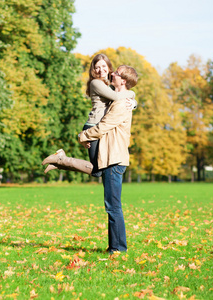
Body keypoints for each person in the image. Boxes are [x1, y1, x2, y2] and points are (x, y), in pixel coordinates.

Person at [42, 54, 136, 176]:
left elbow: (121, 94)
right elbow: (117, 97)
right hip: (94, 126)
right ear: (93, 70)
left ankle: (60, 162)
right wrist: (132, 93)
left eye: (103, 66)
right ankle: (61, 159)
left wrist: (134, 103)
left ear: (108, 67)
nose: (101, 70)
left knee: (98, 170)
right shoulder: (96, 83)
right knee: (98, 171)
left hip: (100, 126)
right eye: (97, 67)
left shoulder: (108, 85)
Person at [78, 65, 139, 253]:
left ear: (124, 81)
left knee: (113, 207)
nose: (113, 74)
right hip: (110, 158)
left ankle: (118, 248)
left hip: (114, 160)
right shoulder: (120, 100)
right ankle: (115, 246)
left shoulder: (121, 104)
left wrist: (83, 136)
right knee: (112, 206)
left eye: (117, 74)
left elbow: (103, 126)